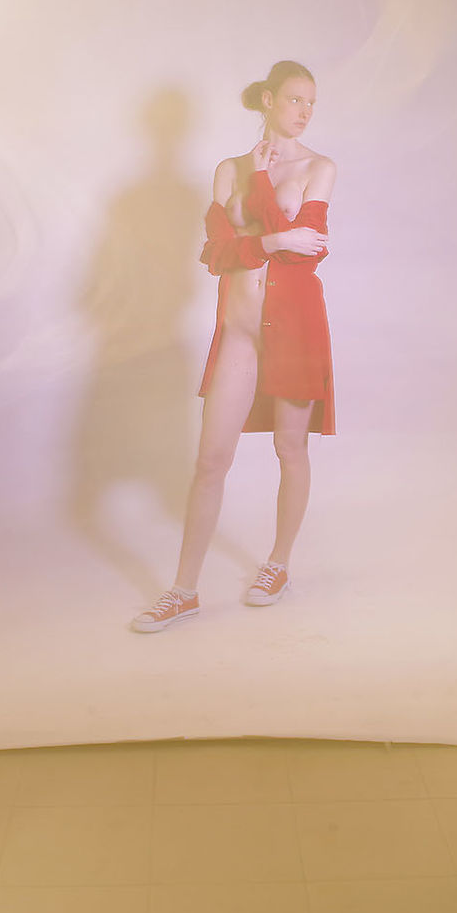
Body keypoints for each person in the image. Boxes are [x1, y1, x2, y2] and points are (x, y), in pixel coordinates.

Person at [132, 61, 336, 631]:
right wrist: (271, 237)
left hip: (296, 329)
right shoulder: (228, 170)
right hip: (239, 331)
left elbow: (306, 253)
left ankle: (279, 564)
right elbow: (216, 254)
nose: (304, 111)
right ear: (268, 100)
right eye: (294, 99)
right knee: (209, 461)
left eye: (311, 102)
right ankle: (183, 590)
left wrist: (265, 196)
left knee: (291, 449)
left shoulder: (319, 168)